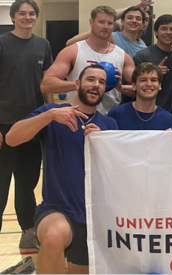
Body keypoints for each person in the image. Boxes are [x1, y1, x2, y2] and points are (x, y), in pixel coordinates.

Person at [5, 64, 118, 274]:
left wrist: (103, 142)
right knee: (54, 235)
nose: (96, 85)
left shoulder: (109, 124)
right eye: (90, 79)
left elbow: (120, 172)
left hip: (92, 216)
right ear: (77, 84)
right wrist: (48, 117)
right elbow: (11, 138)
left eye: (101, 82)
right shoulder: (53, 113)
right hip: (57, 208)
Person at [0, 0, 53, 249]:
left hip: (33, 126)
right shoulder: (1, 43)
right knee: (1, 184)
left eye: (32, 14)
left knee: (27, 183)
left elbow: (47, 84)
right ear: (12, 17)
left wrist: (49, 115)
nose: (27, 17)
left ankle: (28, 232)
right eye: (22, 13)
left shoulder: (43, 45)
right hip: (4, 127)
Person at [41, 5, 136, 115]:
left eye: (110, 23)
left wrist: (121, 88)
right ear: (91, 22)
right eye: (101, 22)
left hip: (110, 120)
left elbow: (139, 89)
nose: (106, 27)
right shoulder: (73, 51)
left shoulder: (123, 56)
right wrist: (80, 84)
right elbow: (46, 85)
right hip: (77, 117)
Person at [133, 14, 172, 115]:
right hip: (145, 112)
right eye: (164, 29)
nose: (168, 32)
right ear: (156, 32)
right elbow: (133, 87)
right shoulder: (143, 55)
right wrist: (154, 73)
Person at [108, 63, 172, 130]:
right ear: (134, 85)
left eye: (153, 80)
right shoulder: (116, 114)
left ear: (159, 85)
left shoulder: (168, 120)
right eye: (143, 80)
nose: (149, 84)